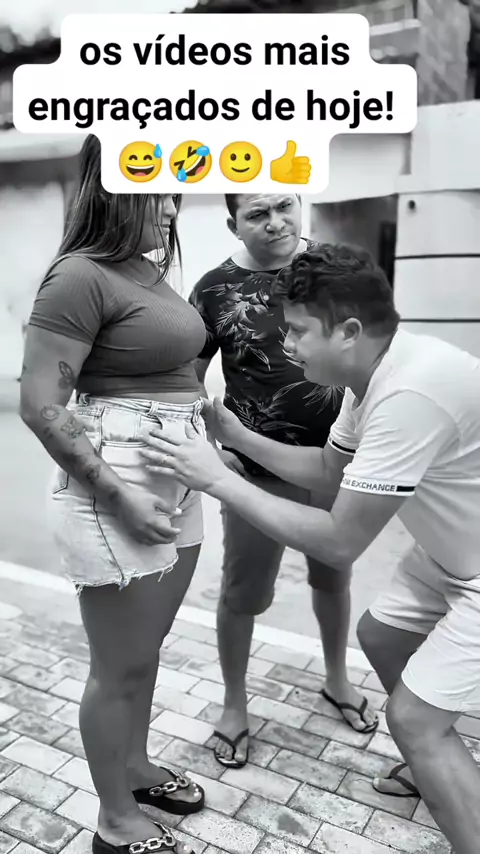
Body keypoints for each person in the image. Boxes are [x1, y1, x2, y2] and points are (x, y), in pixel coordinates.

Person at [142, 243, 480, 854]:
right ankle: (439, 763)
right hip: (449, 553)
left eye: (298, 331)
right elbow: (328, 471)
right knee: (381, 636)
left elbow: (340, 540)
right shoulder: (369, 375)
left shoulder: (411, 393)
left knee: (413, 720)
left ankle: (436, 759)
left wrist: (219, 480)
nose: (287, 344)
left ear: (348, 331)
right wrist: (238, 437)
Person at [20, 135, 205, 854]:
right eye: (158, 194)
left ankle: (134, 766)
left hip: (176, 476)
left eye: (175, 194)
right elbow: (42, 404)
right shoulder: (78, 276)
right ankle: (114, 821)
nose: (172, 210)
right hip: (115, 486)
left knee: (145, 651)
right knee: (117, 664)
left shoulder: (146, 272)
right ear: (117, 192)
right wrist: (121, 496)